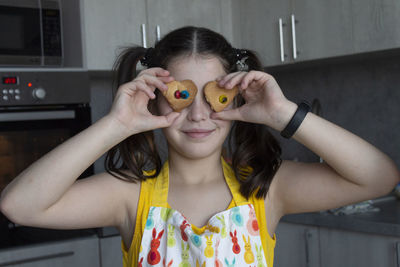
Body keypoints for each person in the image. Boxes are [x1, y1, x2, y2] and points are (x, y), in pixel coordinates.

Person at [0, 26, 399, 267]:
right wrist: (116, 124)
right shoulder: (128, 196)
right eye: (180, 97)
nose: (198, 116)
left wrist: (283, 114)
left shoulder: (266, 190)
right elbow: (18, 205)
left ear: (236, 99)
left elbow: (380, 177)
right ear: (155, 99)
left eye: (214, 97)